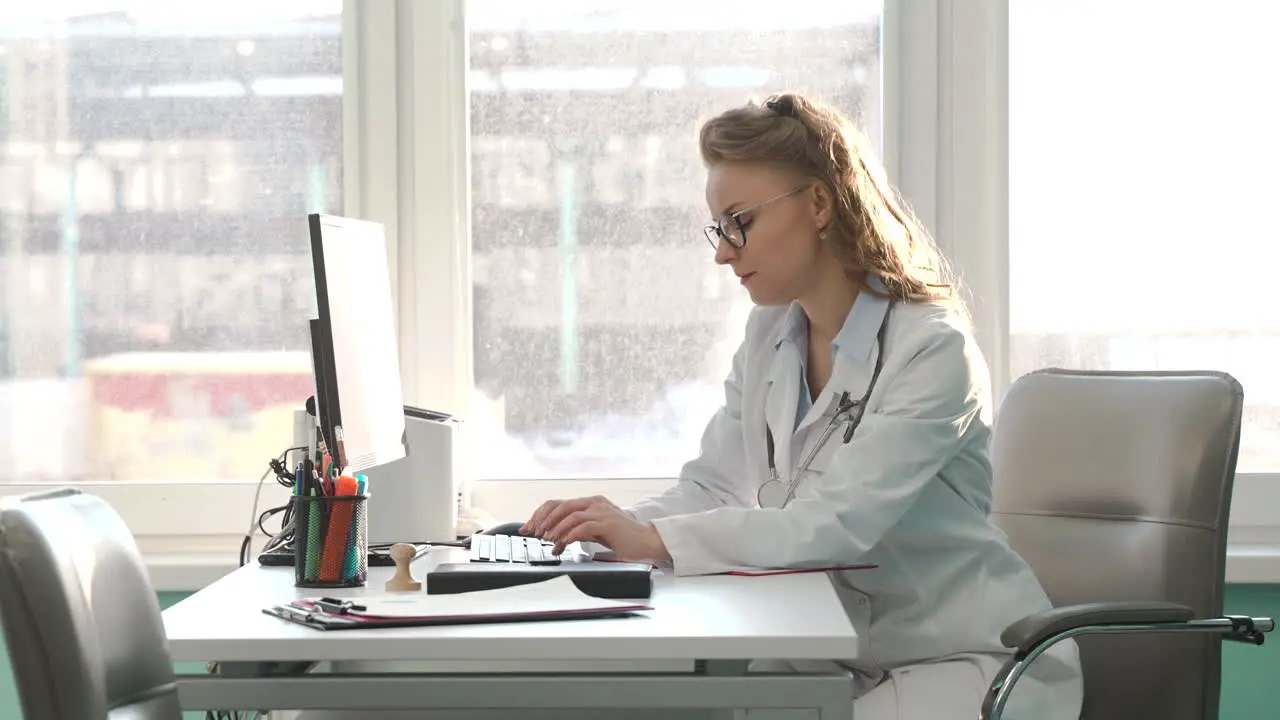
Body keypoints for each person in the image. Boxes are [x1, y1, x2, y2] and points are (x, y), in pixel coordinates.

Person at [521, 92, 1084, 720]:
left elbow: (838, 524)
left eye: (741, 221)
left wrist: (651, 538)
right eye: (719, 227)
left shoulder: (932, 351)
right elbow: (713, 482)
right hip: (831, 655)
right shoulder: (769, 335)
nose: (723, 251)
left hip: (961, 660)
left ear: (819, 203)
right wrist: (607, 529)